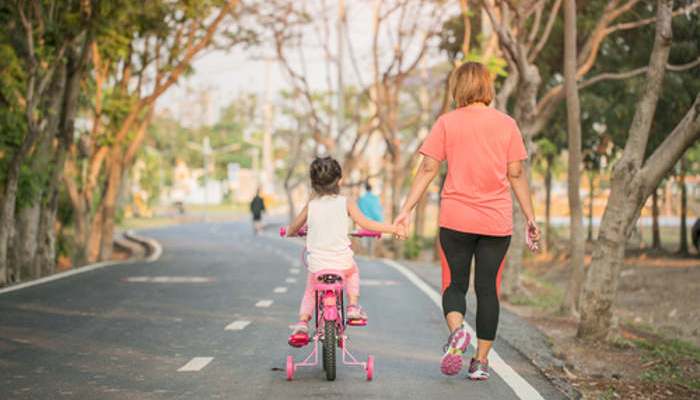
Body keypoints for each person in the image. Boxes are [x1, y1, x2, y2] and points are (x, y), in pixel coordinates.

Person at [394, 62, 540, 380]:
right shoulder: (507, 124)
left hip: (455, 219)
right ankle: (481, 363)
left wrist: (406, 209)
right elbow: (516, 173)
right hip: (496, 222)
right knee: (488, 290)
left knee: (454, 284)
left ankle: (458, 331)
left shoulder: (447, 123)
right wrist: (530, 217)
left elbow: (428, 169)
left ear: (458, 87)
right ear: (487, 87)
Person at [284, 157, 404, 345]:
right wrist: (393, 229)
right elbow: (366, 224)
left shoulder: (311, 206)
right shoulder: (346, 203)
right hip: (343, 264)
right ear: (339, 180)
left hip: (318, 267)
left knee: (310, 290)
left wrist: (291, 231)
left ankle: (302, 324)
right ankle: (353, 306)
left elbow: (292, 229)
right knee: (353, 271)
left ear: (313, 183)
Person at [357, 182, 384, 255]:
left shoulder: (362, 199)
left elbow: (358, 209)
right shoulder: (376, 198)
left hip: (364, 221)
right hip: (374, 221)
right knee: (371, 237)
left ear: (365, 189)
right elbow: (379, 209)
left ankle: (364, 253)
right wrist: (381, 220)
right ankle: (370, 254)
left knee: (365, 237)